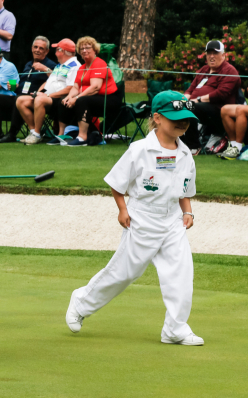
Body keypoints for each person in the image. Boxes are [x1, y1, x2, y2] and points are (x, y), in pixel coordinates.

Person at [66, 90, 203, 347]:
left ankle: (175, 328)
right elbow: (117, 184)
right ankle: (81, 302)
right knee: (124, 273)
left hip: (172, 221)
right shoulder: (139, 149)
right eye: (176, 118)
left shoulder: (186, 154)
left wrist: (187, 211)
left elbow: (184, 189)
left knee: (181, 273)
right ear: (157, 118)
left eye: (186, 118)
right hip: (142, 218)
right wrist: (122, 209)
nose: (183, 122)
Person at [0, 36, 59, 143]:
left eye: (41, 48)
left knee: (19, 99)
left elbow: (56, 80)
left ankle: (12, 133)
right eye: (35, 47)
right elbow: (24, 82)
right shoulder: (28, 64)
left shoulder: (51, 65)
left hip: (35, 98)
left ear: (47, 51)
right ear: (32, 48)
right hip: (19, 94)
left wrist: (46, 69)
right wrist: (16, 86)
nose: (37, 50)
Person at [181, 40, 241, 154]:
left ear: (223, 55)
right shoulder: (204, 69)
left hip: (218, 111)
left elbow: (221, 93)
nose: (211, 56)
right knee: (175, 105)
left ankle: (193, 147)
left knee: (190, 107)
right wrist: (182, 100)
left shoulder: (229, 71)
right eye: (209, 53)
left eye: (215, 53)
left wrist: (197, 100)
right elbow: (190, 89)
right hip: (198, 106)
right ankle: (173, 142)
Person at [61, 36, 120, 146]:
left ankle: (82, 137)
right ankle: (62, 134)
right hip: (94, 98)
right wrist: (69, 97)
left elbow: (95, 87)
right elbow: (75, 87)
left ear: (94, 50)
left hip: (110, 99)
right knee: (63, 101)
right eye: (81, 49)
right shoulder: (82, 67)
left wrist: (76, 98)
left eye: (87, 48)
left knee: (82, 101)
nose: (84, 51)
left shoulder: (99, 63)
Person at [21, 38, 80, 145]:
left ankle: (37, 134)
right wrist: (38, 92)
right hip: (48, 97)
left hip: (60, 100)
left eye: (57, 50)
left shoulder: (74, 66)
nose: (55, 53)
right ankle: (33, 132)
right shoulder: (60, 65)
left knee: (39, 100)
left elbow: (70, 88)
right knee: (21, 100)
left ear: (63, 52)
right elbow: (49, 81)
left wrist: (47, 95)